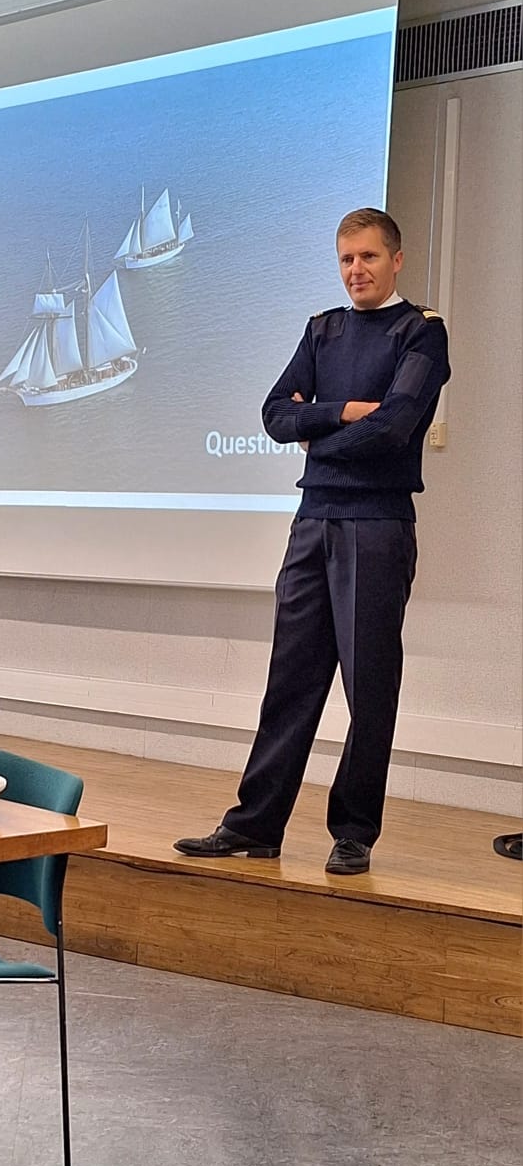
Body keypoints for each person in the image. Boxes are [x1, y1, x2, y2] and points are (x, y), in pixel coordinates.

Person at [175, 208, 450, 875]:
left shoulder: (421, 333)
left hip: (376, 525)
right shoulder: (322, 329)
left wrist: (317, 433)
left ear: (396, 260)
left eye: (368, 257)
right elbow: (275, 415)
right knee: (290, 680)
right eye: (346, 259)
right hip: (312, 522)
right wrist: (342, 412)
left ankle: (353, 831)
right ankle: (255, 825)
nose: (356, 270)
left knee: (368, 686)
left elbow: (394, 427)